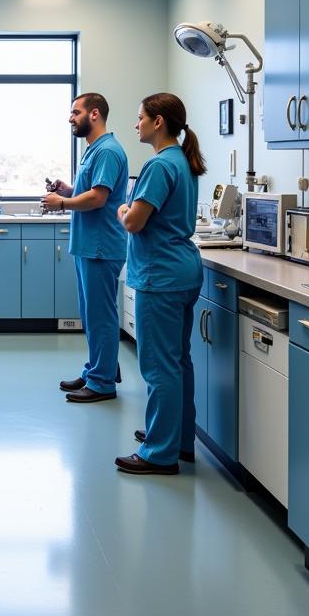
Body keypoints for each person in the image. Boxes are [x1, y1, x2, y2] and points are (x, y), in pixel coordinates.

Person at [114, 93, 205, 476]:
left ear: (158, 123)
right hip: (182, 272)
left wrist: (121, 208)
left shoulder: (158, 166)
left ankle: (160, 452)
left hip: (160, 276)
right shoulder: (182, 162)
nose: (136, 124)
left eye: (140, 118)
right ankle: (178, 438)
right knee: (179, 362)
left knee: (159, 367)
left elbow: (135, 221)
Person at [42, 92, 128, 403]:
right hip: (89, 245)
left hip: (101, 247)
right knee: (91, 314)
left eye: (75, 112)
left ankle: (102, 382)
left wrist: (62, 202)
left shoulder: (107, 151)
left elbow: (98, 198)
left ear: (94, 114)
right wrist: (68, 189)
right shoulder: (93, 150)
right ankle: (97, 368)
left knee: (100, 315)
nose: (70, 118)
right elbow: (89, 191)